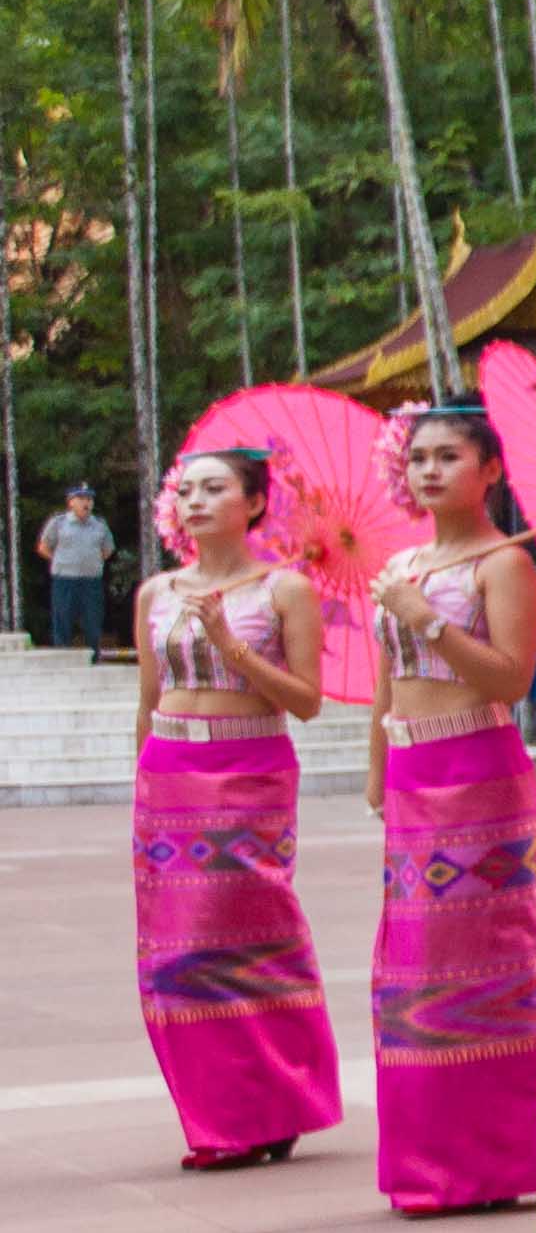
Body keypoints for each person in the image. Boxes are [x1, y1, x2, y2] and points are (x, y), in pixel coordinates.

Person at [360, 399, 536, 1214]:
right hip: (412, 770)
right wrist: (378, 771)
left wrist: (428, 621)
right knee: (412, 968)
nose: (429, 470)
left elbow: (513, 678)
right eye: (418, 458)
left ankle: (498, 1157)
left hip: (479, 768)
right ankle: (425, 1159)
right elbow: (382, 685)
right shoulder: (400, 565)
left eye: (448, 456)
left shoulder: (503, 564)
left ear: (490, 471)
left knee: (484, 964)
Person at [125, 446, 340, 1169]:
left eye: (214, 488)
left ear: (253, 503)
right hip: (169, 774)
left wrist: (230, 646)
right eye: (185, 489)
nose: (194, 501)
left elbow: (306, 701)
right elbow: (149, 697)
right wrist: (141, 779)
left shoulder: (284, 589)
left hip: (248, 769)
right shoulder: (157, 592)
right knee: (175, 954)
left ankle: (276, 1099)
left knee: (243, 940)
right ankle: (219, 1115)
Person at [39, 483, 120, 660]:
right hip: (65, 579)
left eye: (89, 499)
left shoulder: (99, 525)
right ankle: (62, 658)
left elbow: (107, 550)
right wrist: (62, 561)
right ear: (71, 502)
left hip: (91, 581)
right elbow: (44, 547)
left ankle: (94, 657)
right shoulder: (59, 523)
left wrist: (91, 561)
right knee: (63, 619)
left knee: (93, 619)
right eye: (81, 498)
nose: (87, 503)